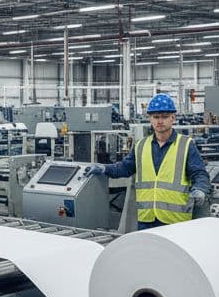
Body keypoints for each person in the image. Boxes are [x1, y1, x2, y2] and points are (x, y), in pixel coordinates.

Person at [90, 93, 210, 229]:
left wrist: (200, 189)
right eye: (156, 117)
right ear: (150, 119)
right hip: (146, 218)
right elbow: (125, 168)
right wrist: (105, 168)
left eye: (164, 117)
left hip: (176, 221)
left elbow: (200, 174)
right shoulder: (141, 145)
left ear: (173, 118)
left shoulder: (186, 145)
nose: (160, 121)